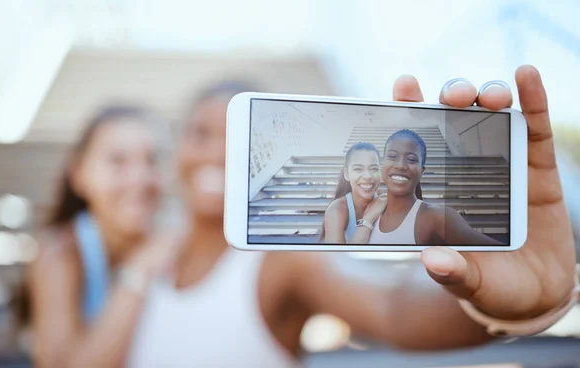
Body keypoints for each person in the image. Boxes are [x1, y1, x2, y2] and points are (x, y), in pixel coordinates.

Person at [30, 66, 577, 368]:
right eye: (201, 133)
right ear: (178, 151)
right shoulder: (146, 250)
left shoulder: (280, 262)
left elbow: (393, 309)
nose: (220, 153)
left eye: (241, 137)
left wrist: (499, 306)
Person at [23, 105, 176, 368]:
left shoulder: (172, 246)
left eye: (150, 160)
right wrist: (137, 271)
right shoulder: (60, 252)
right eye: (118, 161)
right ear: (79, 175)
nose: (139, 179)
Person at [349, 128, 503, 245]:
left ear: (422, 171)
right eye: (392, 156)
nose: (401, 165)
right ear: (382, 165)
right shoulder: (372, 210)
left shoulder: (438, 217)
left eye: (411, 159)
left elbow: (500, 253)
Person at [318, 142, 384, 243]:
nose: (367, 176)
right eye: (358, 169)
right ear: (346, 174)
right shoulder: (337, 209)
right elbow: (338, 257)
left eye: (374, 169)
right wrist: (368, 220)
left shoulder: (385, 203)